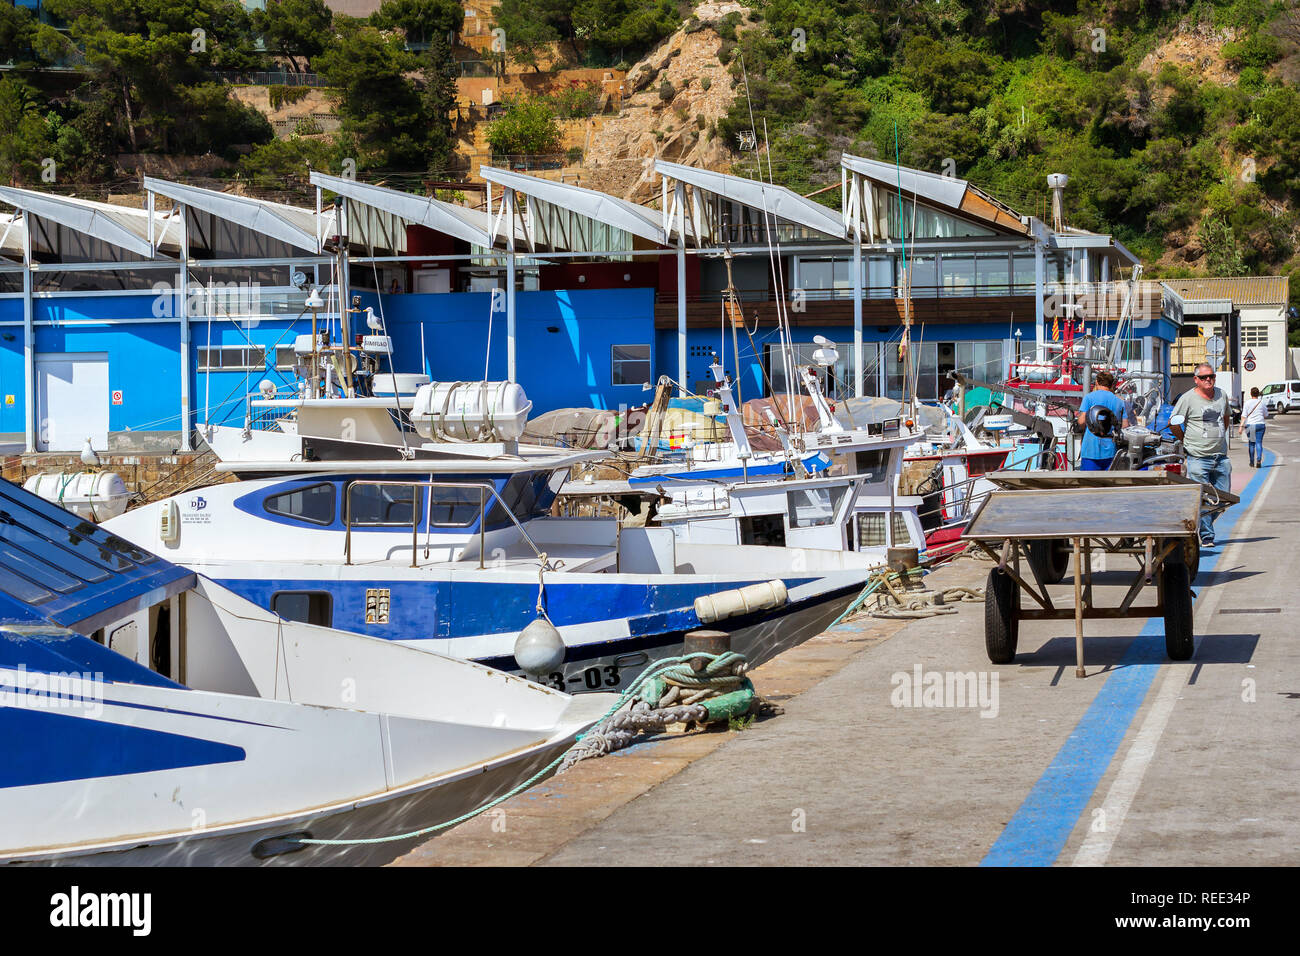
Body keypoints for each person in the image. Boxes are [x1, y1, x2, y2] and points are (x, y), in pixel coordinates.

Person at [1171, 363, 1231, 547]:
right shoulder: (1188, 398)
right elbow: (1174, 422)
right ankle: (1207, 535)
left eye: (1211, 376)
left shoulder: (1222, 395)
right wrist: (1184, 441)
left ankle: (1199, 523)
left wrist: (1219, 438)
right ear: (1196, 379)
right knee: (1204, 497)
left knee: (1224, 498)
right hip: (1197, 457)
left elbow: (1226, 418)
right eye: (1204, 377)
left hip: (1220, 456)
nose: (1208, 380)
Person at [1075, 370, 1129, 471]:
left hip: (1090, 449)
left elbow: (1081, 422)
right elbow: (1125, 426)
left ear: (1096, 382)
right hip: (1111, 450)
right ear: (1112, 384)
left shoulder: (1089, 398)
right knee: (1108, 484)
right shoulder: (1120, 402)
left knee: (1088, 483)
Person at [1239, 386, 1267, 468]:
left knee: (1251, 444)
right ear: (1258, 394)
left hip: (1250, 425)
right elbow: (1266, 414)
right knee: (1259, 443)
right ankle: (1259, 460)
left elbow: (1244, 416)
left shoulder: (1247, 403)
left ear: (1251, 394)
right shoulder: (1261, 402)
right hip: (1260, 424)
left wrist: (1241, 427)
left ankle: (1251, 462)